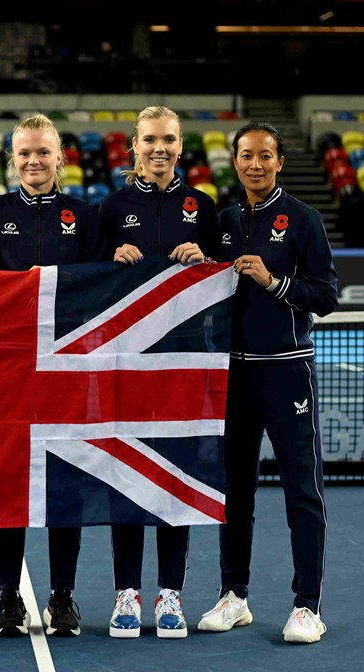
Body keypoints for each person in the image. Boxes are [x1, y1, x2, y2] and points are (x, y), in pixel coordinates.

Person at [197, 122, 337, 644]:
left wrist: (273, 282)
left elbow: (326, 296)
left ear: (279, 162)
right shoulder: (225, 221)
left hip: (287, 370)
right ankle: (234, 596)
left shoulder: (304, 220)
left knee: (302, 487)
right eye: (246, 156)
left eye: (265, 156)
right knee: (234, 491)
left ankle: (308, 606)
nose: (255, 164)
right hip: (232, 374)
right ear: (234, 162)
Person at [0, 113, 103, 637]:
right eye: (24, 152)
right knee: (7, 484)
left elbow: (98, 287)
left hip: (66, 375)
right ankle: (8, 598)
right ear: (12, 159)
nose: (33, 161)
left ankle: (62, 596)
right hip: (6, 373)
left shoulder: (85, 215)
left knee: (65, 483)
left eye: (43, 152)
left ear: (59, 158)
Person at [96, 105, 220, 639]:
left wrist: (206, 256)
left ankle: (170, 594)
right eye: (150, 140)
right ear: (135, 146)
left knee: (177, 479)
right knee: (128, 477)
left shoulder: (205, 207)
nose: (160, 148)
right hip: (128, 363)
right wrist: (110, 258)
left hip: (186, 364)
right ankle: (127, 591)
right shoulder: (111, 207)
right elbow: (91, 285)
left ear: (180, 145)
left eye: (169, 139)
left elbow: (224, 276)